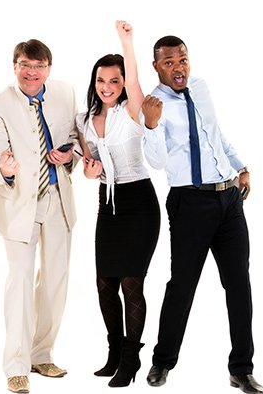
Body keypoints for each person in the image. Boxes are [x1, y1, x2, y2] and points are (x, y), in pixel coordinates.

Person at [141, 35, 263, 394]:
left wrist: (241, 166)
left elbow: (215, 133)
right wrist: (150, 125)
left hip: (228, 200)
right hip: (190, 203)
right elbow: (157, 162)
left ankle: (241, 368)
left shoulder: (201, 87)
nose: (178, 68)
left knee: (239, 284)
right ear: (156, 66)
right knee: (182, 286)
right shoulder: (154, 104)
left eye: (182, 60)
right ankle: (162, 362)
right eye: (169, 62)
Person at [0, 38, 79, 394]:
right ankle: (16, 365)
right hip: (19, 203)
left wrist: (69, 157)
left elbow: (76, 141)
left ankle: (42, 354)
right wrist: (5, 170)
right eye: (25, 65)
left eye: (38, 66)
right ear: (15, 67)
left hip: (58, 199)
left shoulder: (66, 93)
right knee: (20, 281)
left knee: (56, 281)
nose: (31, 72)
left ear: (48, 69)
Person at [75, 21, 161, 388]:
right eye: (101, 81)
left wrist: (127, 42)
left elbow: (136, 77)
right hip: (107, 205)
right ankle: (113, 351)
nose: (107, 87)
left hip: (139, 202)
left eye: (114, 81)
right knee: (104, 283)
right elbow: (87, 165)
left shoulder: (132, 110)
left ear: (123, 82)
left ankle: (131, 357)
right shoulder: (84, 120)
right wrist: (90, 172)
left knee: (131, 283)